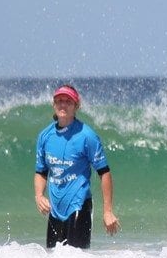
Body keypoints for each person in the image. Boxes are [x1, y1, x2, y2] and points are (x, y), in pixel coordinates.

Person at [34, 84, 120, 248]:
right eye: (59, 100)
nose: (63, 104)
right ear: (54, 104)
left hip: (79, 206)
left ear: (76, 106)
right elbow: (41, 171)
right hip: (55, 209)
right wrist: (39, 195)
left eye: (68, 101)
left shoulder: (87, 136)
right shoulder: (45, 136)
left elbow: (104, 173)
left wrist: (107, 211)